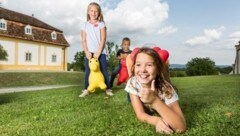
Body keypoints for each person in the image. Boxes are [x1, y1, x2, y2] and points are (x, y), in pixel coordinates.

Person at [125, 47, 186, 134]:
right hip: (138, 95)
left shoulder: (166, 89)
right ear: (134, 67)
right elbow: (140, 114)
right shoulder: (133, 83)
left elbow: (181, 128)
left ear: (157, 69)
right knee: (129, 98)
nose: (142, 70)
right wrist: (156, 120)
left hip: (158, 95)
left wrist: (154, 100)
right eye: (138, 65)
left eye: (149, 65)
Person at [79, 2, 113, 97]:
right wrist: (86, 52)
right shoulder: (84, 25)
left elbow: (103, 39)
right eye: (92, 11)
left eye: (96, 11)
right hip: (89, 53)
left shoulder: (101, 24)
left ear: (99, 13)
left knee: (103, 70)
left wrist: (99, 51)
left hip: (101, 52)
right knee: (88, 71)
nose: (94, 13)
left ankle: (108, 89)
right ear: (88, 12)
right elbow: (84, 40)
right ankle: (86, 89)